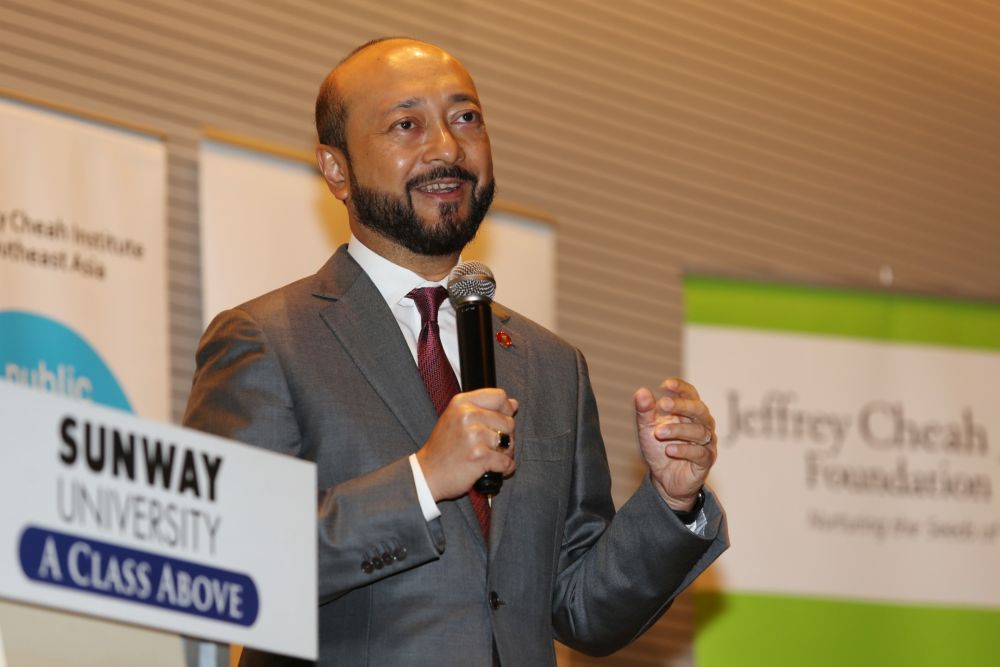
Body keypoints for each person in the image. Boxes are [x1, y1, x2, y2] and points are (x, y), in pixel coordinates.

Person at [184, 37, 728, 666]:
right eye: (406, 124)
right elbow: (228, 560)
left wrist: (670, 502)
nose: (446, 148)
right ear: (335, 170)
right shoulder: (268, 339)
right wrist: (421, 481)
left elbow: (581, 610)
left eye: (465, 118)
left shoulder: (552, 365)